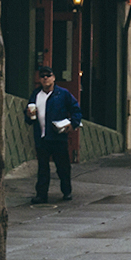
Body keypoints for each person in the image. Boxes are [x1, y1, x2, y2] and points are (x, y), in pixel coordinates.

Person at [25, 66, 82, 203]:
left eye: (48, 75)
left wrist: (72, 124)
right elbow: (28, 116)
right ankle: (41, 194)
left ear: (53, 78)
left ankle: (66, 191)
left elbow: (75, 109)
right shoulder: (36, 94)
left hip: (58, 137)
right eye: (42, 76)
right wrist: (28, 115)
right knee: (43, 168)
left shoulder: (62, 94)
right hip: (42, 137)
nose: (45, 78)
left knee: (62, 167)